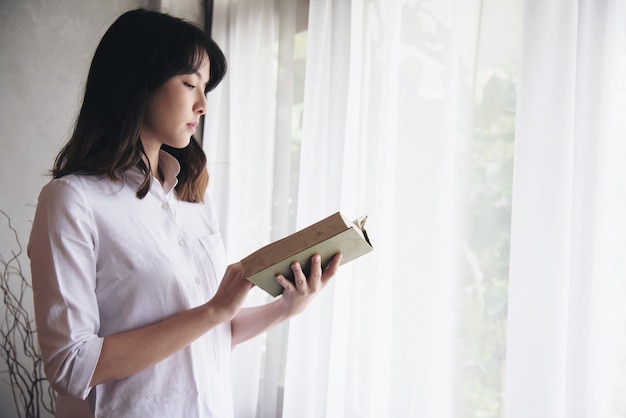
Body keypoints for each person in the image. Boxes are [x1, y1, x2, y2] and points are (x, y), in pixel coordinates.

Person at [27, 8, 342, 418]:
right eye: (190, 83)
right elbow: (71, 366)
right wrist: (212, 310)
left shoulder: (193, 198)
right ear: (137, 82)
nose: (203, 104)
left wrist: (286, 307)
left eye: (206, 87)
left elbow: (208, 335)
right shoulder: (71, 201)